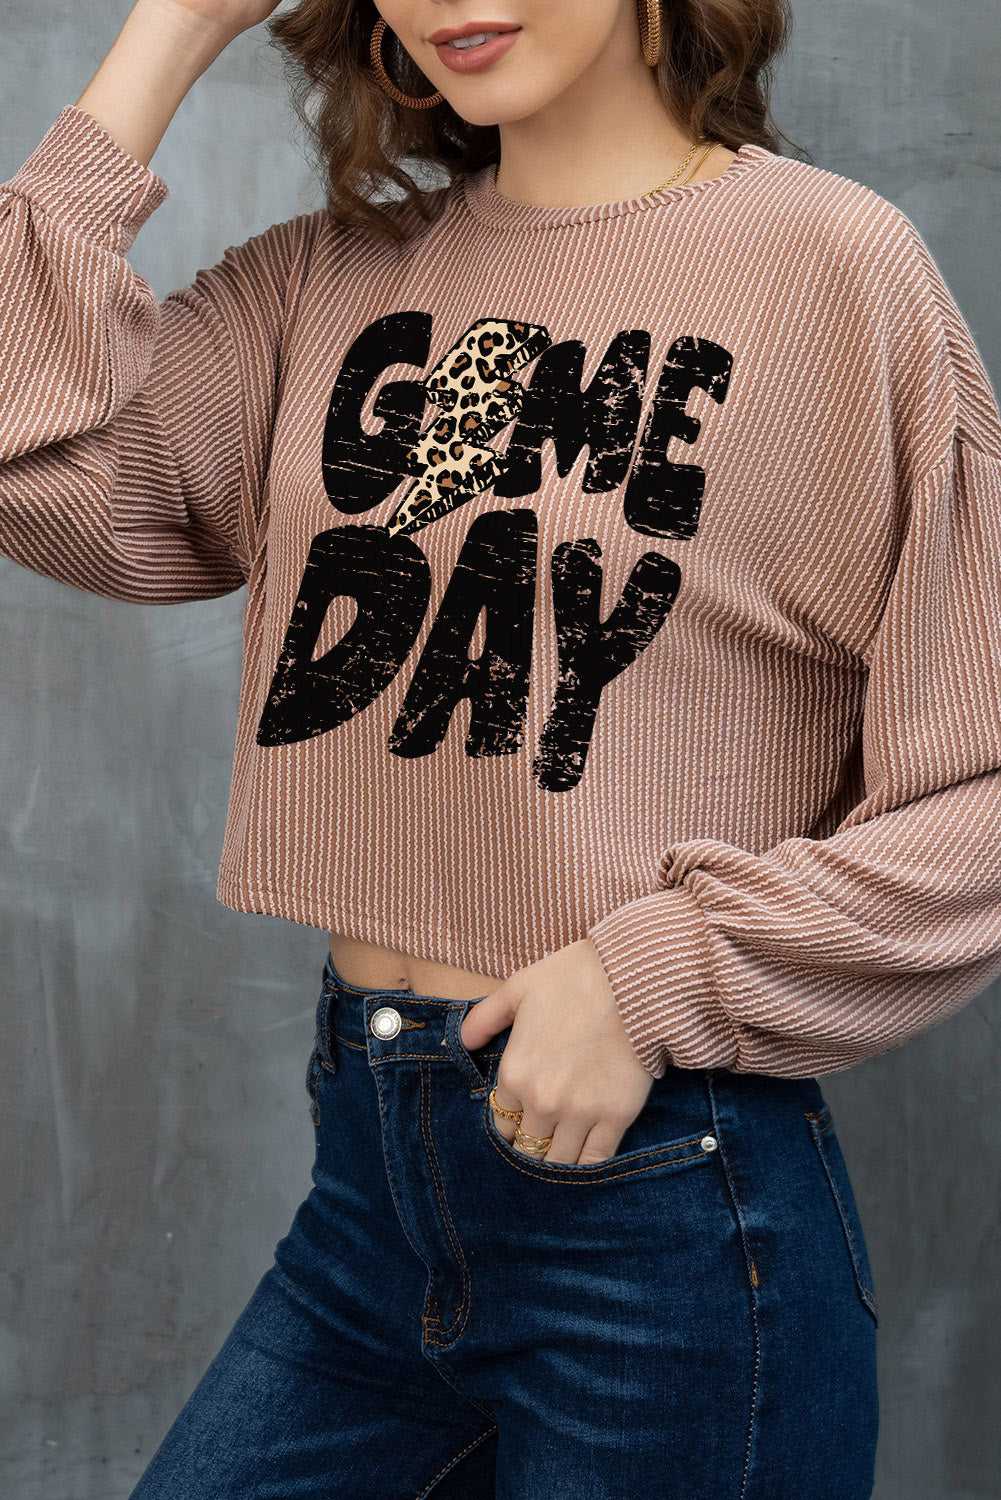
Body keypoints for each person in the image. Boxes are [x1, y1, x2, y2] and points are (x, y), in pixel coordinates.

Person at [3, 0, 999, 1494]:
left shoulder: (826, 269)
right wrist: (165, 37)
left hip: (663, 1206)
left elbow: (978, 787)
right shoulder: (342, 281)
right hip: (368, 1192)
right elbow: (31, 454)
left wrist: (652, 976)